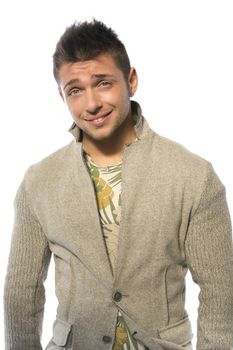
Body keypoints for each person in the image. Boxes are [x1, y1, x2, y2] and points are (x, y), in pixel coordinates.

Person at [4, 19, 233, 350]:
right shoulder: (39, 181)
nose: (91, 103)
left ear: (131, 80)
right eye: (75, 90)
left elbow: (220, 287)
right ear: (62, 96)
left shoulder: (193, 175)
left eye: (103, 83)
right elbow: (21, 293)